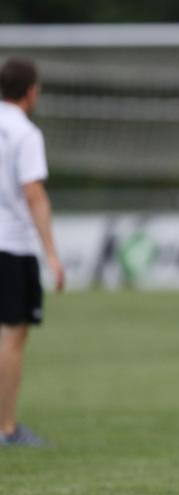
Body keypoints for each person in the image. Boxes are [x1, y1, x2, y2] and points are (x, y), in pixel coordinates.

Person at [0, 57, 65, 447]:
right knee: (11, 339)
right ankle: (6, 427)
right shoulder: (24, 133)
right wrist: (52, 254)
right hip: (13, 244)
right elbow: (34, 193)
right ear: (31, 92)